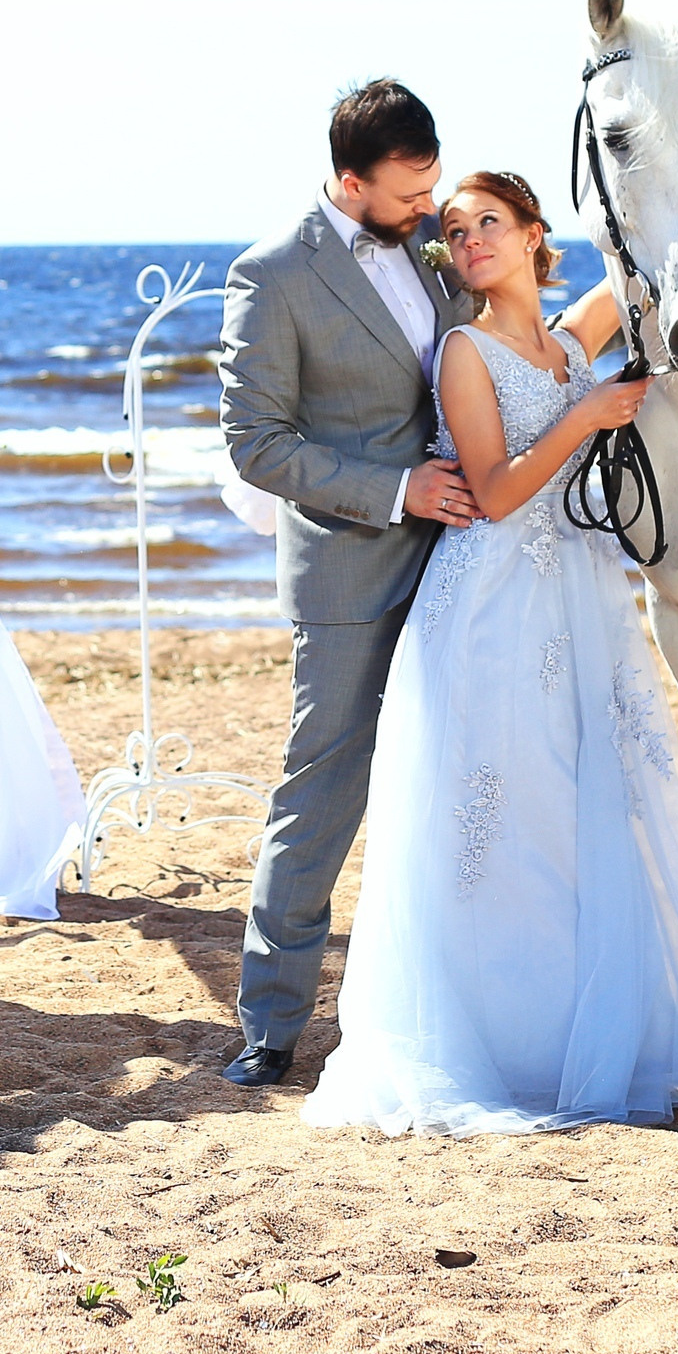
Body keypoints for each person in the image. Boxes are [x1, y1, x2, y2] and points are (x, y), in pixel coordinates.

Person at [301, 172, 678, 1135]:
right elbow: (496, 487)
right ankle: (505, 1045)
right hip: (491, 606)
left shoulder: (564, 343)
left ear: (531, 235)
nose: (469, 239)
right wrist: (587, 415)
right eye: (453, 229)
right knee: (501, 817)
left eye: (489, 222)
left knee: (585, 809)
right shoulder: (463, 354)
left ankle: (578, 1035)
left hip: (581, 602)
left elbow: (630, 270)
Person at [215, 79, 481, 1086]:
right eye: (410, 199)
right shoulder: (273, 275)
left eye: (433, 194)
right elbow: (255, 444)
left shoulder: (425, 250)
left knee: (462, 776)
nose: (429, 217)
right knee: (323, 786)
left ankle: (450, 1003)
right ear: (348, 181)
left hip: (464, 557)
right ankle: (270, 1024)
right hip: (346, 565)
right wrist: (396, 489)